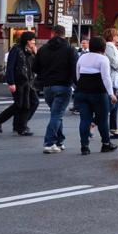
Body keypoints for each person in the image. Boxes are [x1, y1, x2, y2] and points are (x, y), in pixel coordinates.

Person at [34, 24, 78, 153]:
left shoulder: (43, 49)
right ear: (64, 34)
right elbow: (75, 68)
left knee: (56, 114)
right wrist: (77, 85)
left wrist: (45, 74)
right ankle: (49, 143)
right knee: (57, 114)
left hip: (47, 87)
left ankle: (60, 141)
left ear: (52, 33)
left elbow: (35, 67)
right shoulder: (70, 49)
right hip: (63, 85)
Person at [75, 35, 117, 155]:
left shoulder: (82, 58)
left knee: (84, 120)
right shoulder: (103, 59)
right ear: (103, 47)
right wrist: (111, 94)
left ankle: (84, 146)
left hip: (82, 92)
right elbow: (106, 78)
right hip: (98, 92)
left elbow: (78, 75)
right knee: (103, 119)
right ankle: (106, 144)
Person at [0, 31, 39, 135]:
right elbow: (10, 67)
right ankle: (13, 124)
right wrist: (11, 82)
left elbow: (35, 66)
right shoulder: (16, 49)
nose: (34, 43)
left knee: (32, 102)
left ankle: (19, 125)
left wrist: (34, 53)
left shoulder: (28, 51)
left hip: (28, 81)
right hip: (19, 81)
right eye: (33, 41)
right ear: (28, 41)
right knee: (21, 105)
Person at [103, 28, 118, 138]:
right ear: (112, 36)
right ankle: (92, 124)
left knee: (114, 105)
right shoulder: (108, 46)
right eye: (117, 35)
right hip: (111, 79)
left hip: (114, 79)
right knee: (111, 105)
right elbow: (112, 62)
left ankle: (114, 128)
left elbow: (115, 61)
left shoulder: (112, 47)